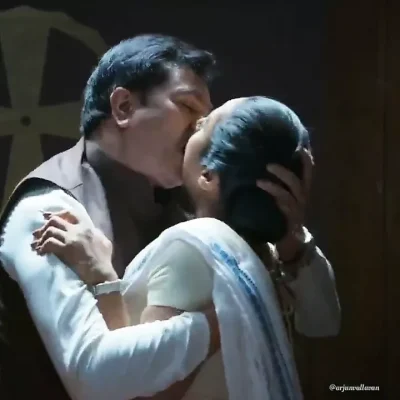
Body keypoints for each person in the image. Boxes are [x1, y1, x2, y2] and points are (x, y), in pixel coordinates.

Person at [0, 34, 338, 399]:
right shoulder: (50, 209)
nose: (198, 128)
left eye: (205, 119)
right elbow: (94, 373)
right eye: (188, 106)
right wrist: (234, 313)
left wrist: (292, 242)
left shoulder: (195, 207)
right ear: (124, 107)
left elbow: (322, 322)